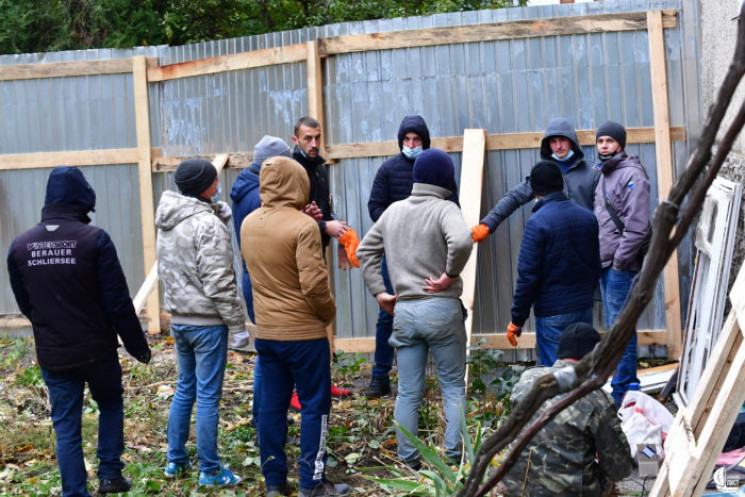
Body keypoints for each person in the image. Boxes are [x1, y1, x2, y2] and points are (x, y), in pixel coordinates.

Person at [7, 166, 152, 496]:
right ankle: (111, 474)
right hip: (97, 351)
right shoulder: (94, 239)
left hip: (54, 354)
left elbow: (25, 303)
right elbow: (117, 303)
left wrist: (51, 325)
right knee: (110, 403)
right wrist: (137, 347)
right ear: (82, 199)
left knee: (66, 425)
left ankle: (74, 491)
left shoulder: (20, 246)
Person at [241, 155, 350, 497]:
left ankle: (274, 481)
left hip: (268, 332)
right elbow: (314, 285)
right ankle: (312, 482)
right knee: (315, 406)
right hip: (304, 333)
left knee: (272, 407)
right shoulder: (303, 228)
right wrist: (328, 313)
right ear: (298, 183)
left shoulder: (249, 223)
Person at [358, 148, 473, 470]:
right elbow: (462, 241)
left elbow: (365, 250)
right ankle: (455, 460)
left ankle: (409, 462)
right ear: (445, 178)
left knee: (408, 392)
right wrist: (449, 275)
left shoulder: (393, 211)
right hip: (441, 308)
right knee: (452, 387)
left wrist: (380, 293)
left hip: (405, 312)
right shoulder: (445, 208)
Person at [156, 158, 246, 487]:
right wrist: (237, 326)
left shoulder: (169, 219)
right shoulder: (206, 225)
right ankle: (209, 470)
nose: (218, 183)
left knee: (185, 390)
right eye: (214, 180)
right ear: (205, 186)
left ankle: (175, 461)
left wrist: (216, 214)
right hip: (207, 323)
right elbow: (219, 282)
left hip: (180, 318)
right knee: (208, 396)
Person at [501, 323, 634, 496]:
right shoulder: (595, 397)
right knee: (609, 483)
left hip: (517, 489)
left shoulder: (527, 380)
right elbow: (620, 469)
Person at [365, 115, 433, 398]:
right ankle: (380, 376)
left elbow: (450, 203)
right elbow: (375, 206)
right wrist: (396, 224)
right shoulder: (389, 169)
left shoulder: (435, 167)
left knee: (430, 311)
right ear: (400, 141)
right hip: (394, 255)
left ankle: (421, 376)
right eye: (407, 140)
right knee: (387, 313)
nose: (411, 144)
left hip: (429, 254)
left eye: (416, 140)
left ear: (424, 142)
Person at [508, 161, 600, 366]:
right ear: (561, 184)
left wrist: (517, 319)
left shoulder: (538, 222)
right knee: (584, 371)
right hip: (583, 307)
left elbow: (527, 276)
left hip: (553, 312)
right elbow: (595, 264)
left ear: (534, 190)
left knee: (555, 379)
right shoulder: (587, 218)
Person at [230, 135, 294, 425]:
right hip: (265, 283)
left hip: (254, 280)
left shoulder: (247, 187)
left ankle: (265, 418)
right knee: (271, 358)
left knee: (268, 354)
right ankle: (265, 420)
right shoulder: (259, 196)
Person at [291, 116, 353, 403]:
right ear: (296, 140)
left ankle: (322, 381)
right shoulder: (292, 171)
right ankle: (296, 390)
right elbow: (289, 221)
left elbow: (324, 211)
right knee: (302, 321)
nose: (314, 143)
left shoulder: (320, 169)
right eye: (307, 138)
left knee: (321, 320)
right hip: (296, 257)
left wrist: (339, 234)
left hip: (318, 251)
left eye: (317, 137)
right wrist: (322, 227)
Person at [593, 120, 651, 405]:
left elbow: (637, 226)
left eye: (609, 141)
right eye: (600, 141)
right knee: (617, 328)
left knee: (620, 330)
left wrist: (618, 263)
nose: (604, 146)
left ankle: (624, 392)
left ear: (621, 143)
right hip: (606, 264)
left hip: (620, 267)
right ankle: (626, 389)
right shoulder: (606, 172)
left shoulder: (631, 175)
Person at [471, 117, 599, 241]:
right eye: (553, 141)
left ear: (572, 141)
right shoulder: (543, 173)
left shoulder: (592, 172)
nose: (558, 146)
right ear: (548, 145)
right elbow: (514, 197)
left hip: (586, 243)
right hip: (554, 244)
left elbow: (604, 213)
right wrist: (488, 224)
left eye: (562, 140)